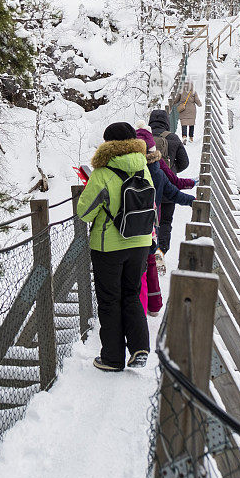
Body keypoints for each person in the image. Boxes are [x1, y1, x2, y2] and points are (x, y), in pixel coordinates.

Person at [76, 122, 154, 371]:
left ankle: (112, 358)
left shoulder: (102, 172)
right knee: (131, 295)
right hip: (140, 241)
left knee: (110, 301)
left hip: (108, 246)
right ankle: (140, 347)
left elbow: (84, 213)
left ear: (108, 144)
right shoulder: (144, 168)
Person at [135, 127, 195, 314]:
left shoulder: (129, 171)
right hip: (153, 222)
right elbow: (175, 188)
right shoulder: (159, 169)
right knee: (156, 249)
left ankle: (140, 305)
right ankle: (154, 304)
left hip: (129, 228)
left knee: (138, 267)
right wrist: (193, 199)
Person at [148, 109, 189, 255]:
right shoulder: (173, 138)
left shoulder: (142, 137)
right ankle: (161, 250)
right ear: (167, 121)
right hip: (167, 186)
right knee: (165, 220)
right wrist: (170, 171)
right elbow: (184, 163)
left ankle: (148, 252)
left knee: (147, 218)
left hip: (146, 186)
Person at [174, 80, 203, 144]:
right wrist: (200, 104)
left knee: (184, 123)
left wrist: (174, 103)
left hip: (183, 109)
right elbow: (197, 100)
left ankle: (184, 136)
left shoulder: (181, 92)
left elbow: (176, 100)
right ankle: (191, 137)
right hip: (192, 110)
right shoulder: (193, 92)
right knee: (191, 123)